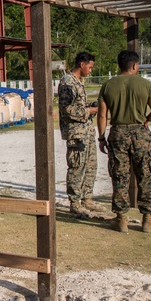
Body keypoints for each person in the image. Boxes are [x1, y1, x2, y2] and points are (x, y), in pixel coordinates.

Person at [96, 50, 151, 233]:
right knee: (145, 175)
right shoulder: (146, 84)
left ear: (120, 65)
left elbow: (102, 115)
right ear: (134, 65)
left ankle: (121, 219)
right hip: (140, 133)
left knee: (119, 176)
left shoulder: (108, 85)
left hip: (118, 133)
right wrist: (145, 119)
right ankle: (147, 219)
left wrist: (101, 137)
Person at [58, 51, 107, 219]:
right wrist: (92, 110)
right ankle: (75, 203)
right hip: (76, 133)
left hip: (86, 131)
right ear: (82, 64)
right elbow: (67, 109)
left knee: (90, 165)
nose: (91, 70)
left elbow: (78, 105)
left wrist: (89, 106)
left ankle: (87, 198)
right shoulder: (67, 82)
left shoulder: (78, 82)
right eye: (90, 67)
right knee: (77, 167)